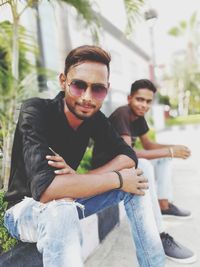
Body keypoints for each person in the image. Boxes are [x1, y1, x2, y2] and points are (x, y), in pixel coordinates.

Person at [4, 46, 165, 267]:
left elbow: (128, 155)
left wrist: (78, 179)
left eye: (97, 89)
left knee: (139, 176)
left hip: (72, 198)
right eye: (79, 86)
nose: (87, 98)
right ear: (63, 81)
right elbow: (45, 190)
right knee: (61, 210)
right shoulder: (36, 111)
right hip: (26, 210)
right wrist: (117, 180)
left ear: (106, 90)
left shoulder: (95, 118)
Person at [92, 78, 196, 264]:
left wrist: (174, 148)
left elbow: (148, 145)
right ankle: (158, 235)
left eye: (148, 101)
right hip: (108, 167)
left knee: (162, 157)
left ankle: (163, 205)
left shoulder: (138, 117)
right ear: (129, 97)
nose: (144, 105)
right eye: (140, 99)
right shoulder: (122, 114)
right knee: (144, 165)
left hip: (124, 164)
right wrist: (170, 150)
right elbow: (128, 153)